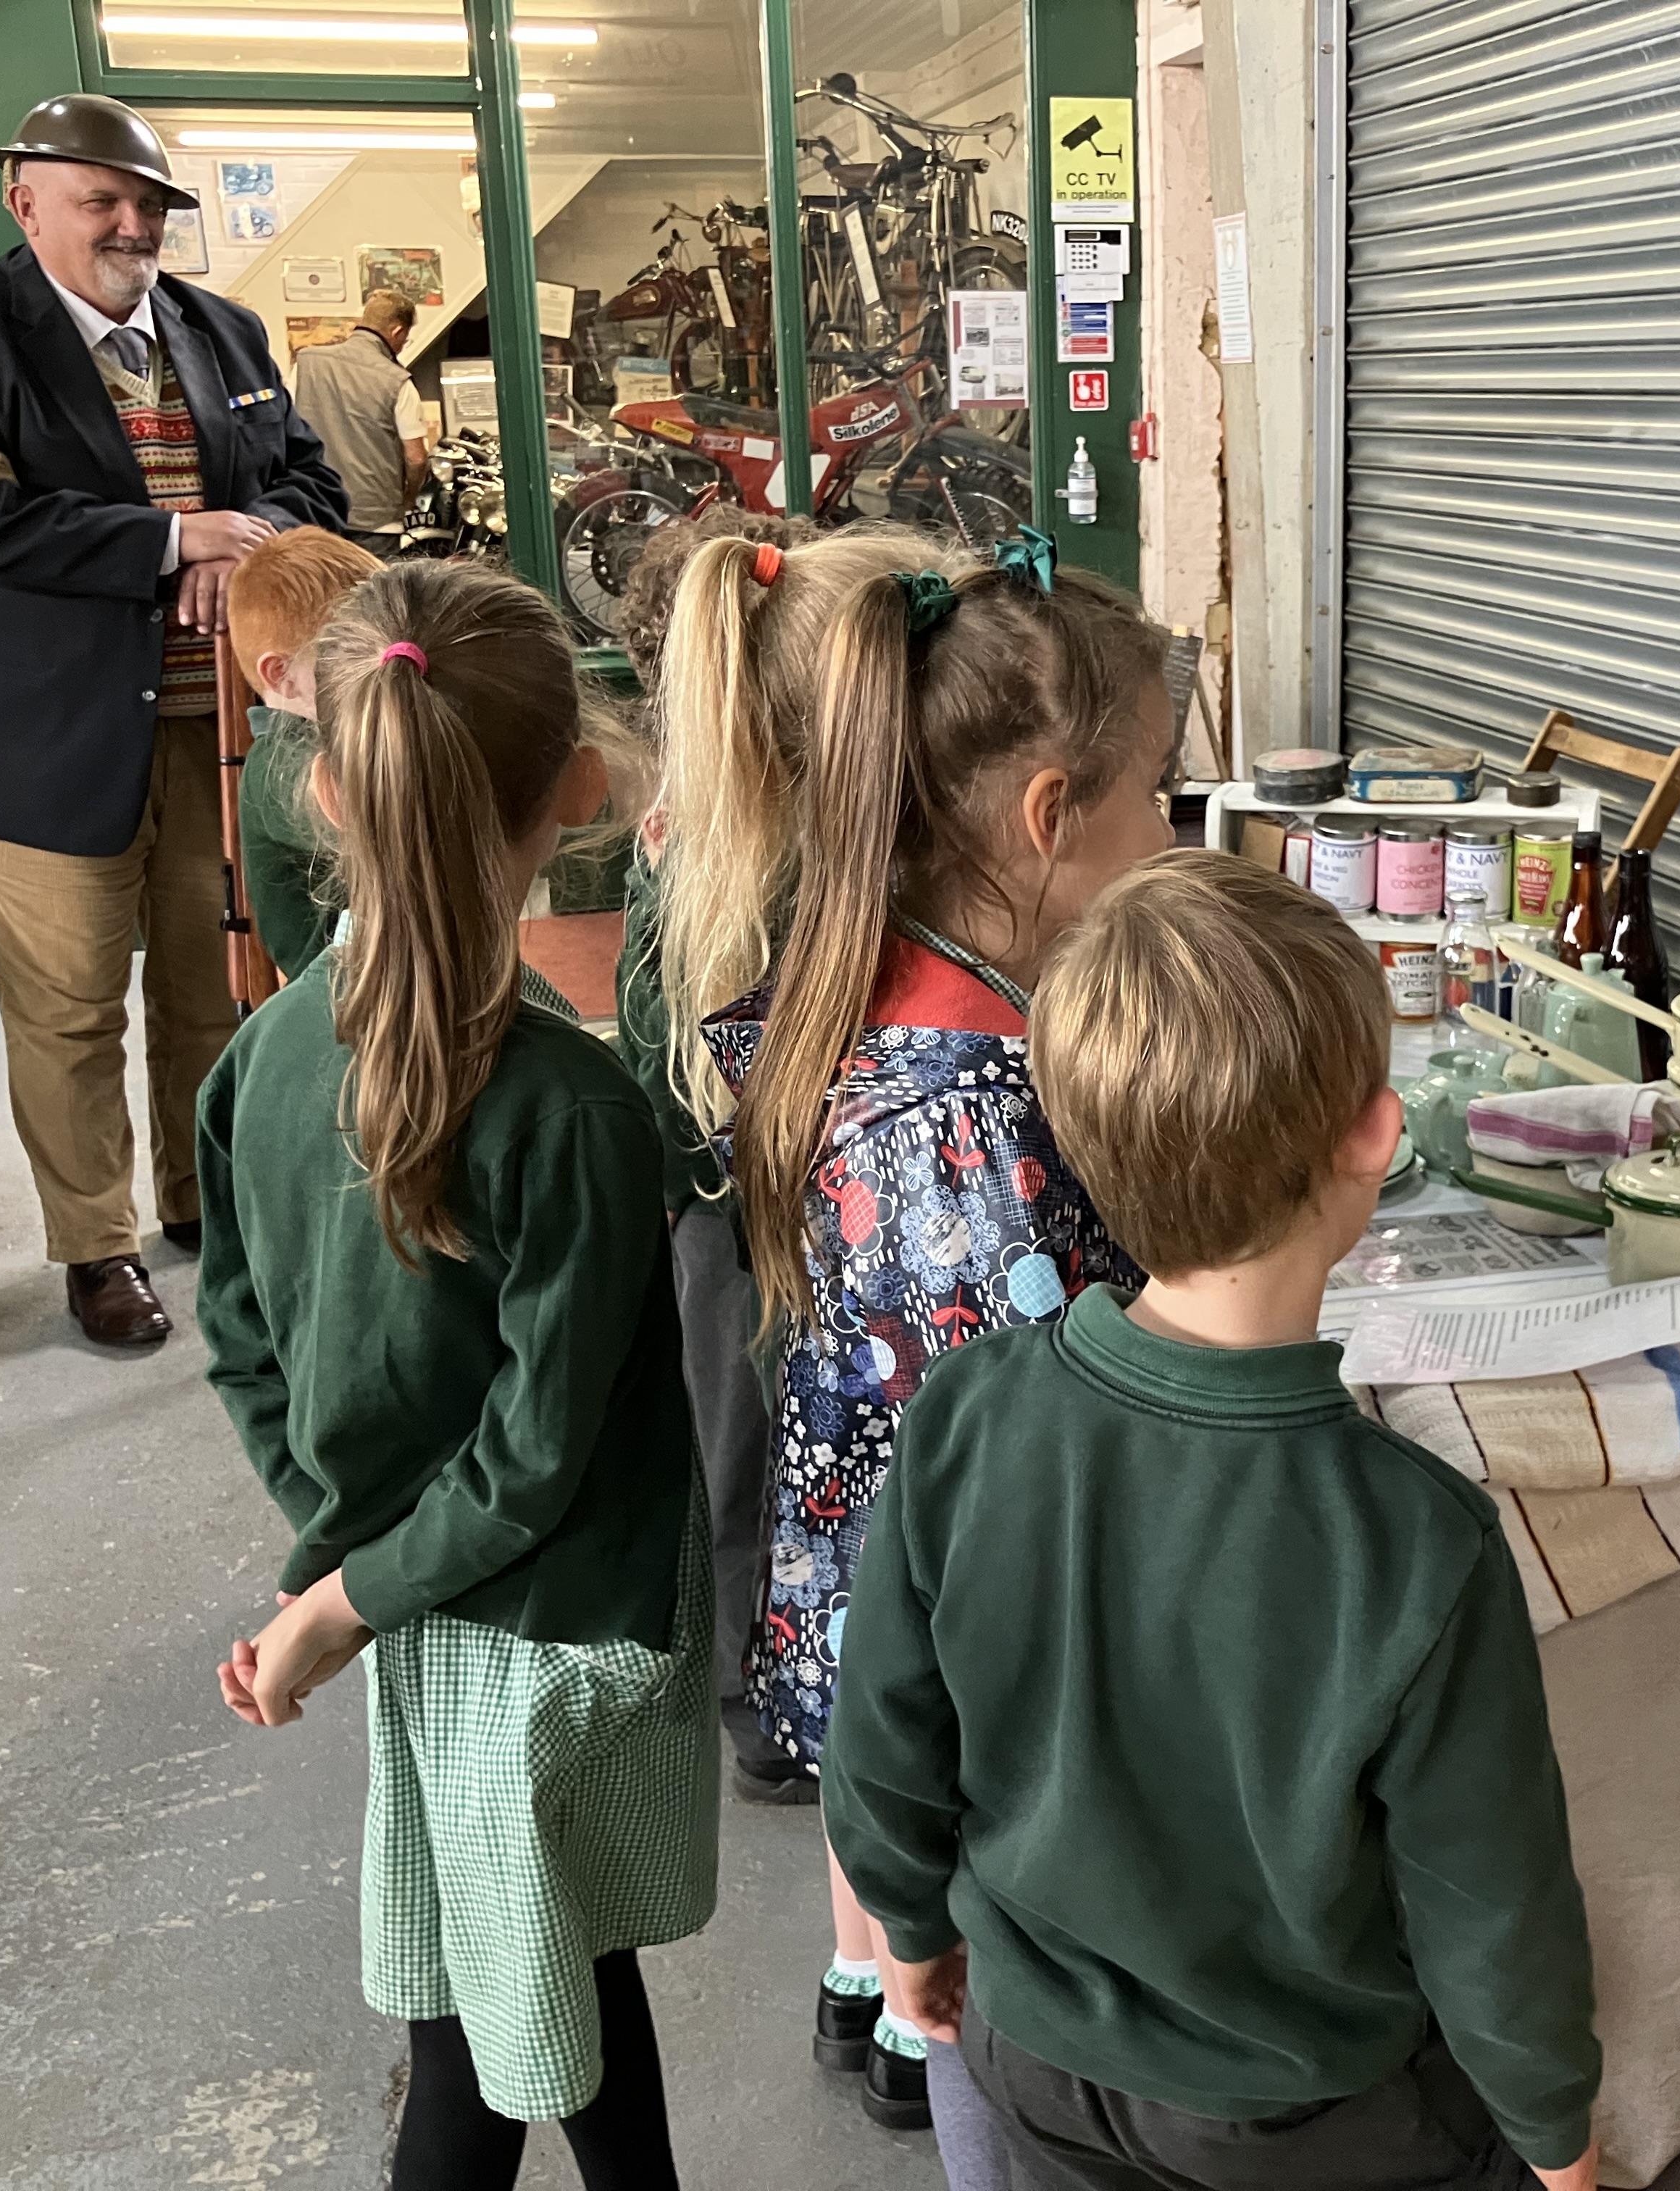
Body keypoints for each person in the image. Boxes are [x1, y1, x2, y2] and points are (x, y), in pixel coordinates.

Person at [829, 850, 1602, 2191]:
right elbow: (1491, 1901)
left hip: (1038, 2060)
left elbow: (882, 1739)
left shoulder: (964, 1414)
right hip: (1309, 2115)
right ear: (1376, 1137)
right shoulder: (1421, 1540)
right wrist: (1560, 2139)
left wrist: (908, 1927)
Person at [196, 559, 716, 2191]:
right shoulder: (579, 1109)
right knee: (489, 2043)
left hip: (416, 1610)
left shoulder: (256, 1064)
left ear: (327, 789)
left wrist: (342, 1562)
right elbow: (539, 1453)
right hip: (555, 1623)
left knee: (527, 1974)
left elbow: (239, 1338)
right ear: (578, 790)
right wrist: (345, 1600)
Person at [690, 533, 1169, 2136]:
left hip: (879, 1591)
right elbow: (1034, 1466)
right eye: (1158, 794)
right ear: (1050, 816)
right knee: (981, 2018)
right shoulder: (973, 1132)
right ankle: (937, 2047)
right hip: (968, 1663)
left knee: (915, 1920)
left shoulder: (882, 983)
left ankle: (883, 2001)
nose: (1172, 831)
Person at [0, 93, 347, 1348]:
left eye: (148, 204)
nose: (132, 225)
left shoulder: (223, 330)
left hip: (218, 728)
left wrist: (245, 538)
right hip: (47, 741)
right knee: (70, 1009)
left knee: (210, 989)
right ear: (26, 202)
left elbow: (315, 481)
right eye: (102, 201)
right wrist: (170, 542)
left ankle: (200, 1201)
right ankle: (96, 1244)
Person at [608, 505, 835, 1811]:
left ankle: (755, 1689)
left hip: (720, 1202)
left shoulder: (680, 828)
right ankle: (766, 1695)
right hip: (771, 1203)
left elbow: (645, 1038)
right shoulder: (787, 821)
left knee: (738, 1440)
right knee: (769, 1438)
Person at [224, 526, 383, 982]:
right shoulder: (277, 764)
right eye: (351, 652)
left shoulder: (345, 733)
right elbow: (383, 819)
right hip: (339, 992)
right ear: (282, 675)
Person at [286, 290, 430, 556]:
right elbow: (417, 458)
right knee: (375, 583)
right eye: (405, 339)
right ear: (397, 332)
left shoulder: (306, 364)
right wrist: (409, 499)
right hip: (377, 522)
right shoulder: (397, 381)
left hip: (316, 510)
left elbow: (286, 429)